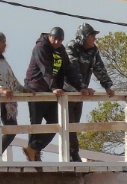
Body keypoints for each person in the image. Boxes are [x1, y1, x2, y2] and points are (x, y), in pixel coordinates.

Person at [23, 26, 92, 161]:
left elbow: (69, 69)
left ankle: (34, 149)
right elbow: (45, 69)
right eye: (55, 39)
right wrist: (54, 87)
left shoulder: (60, 50)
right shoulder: (40, 48)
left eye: (60, 40)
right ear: (49, 36)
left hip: (50, 91)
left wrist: (81, 87)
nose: (57, 42)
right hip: (36, 89)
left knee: (56, 121)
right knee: (36, 123)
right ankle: (34, 154)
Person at [65, 23, 115, 161]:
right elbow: (72, 69)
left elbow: (100, 69)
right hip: (67, 92)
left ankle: (72, 154)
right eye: (92, 35)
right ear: (83, 37)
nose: (95, 38)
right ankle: (73, 154)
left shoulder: (94, 51)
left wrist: (108, 86)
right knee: (69, 124)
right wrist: (82, 87)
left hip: (81, 94)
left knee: (74, 125)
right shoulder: (72, 47)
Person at [0, 31, 30, 156]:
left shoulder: (3, 61)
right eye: (3, 42)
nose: (5, 44)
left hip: (7, 101)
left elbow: (12, 79)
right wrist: (1, 89)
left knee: (12, 128)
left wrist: (23, 89)